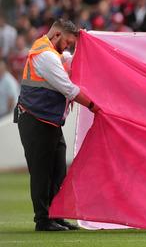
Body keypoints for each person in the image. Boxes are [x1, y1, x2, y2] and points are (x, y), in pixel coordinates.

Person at [15, 19, 101, 231]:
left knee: (58, 171)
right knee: (42, 173)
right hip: (36, 120)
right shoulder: (45, 57)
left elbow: (71, 58)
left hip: (48, 121)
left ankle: (56, 215)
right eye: (69, 42)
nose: (70, 47)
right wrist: (94, 106)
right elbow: (69, 90)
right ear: (57, 36)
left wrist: (88, 41)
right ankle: (43, 220)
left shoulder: (52, 52)